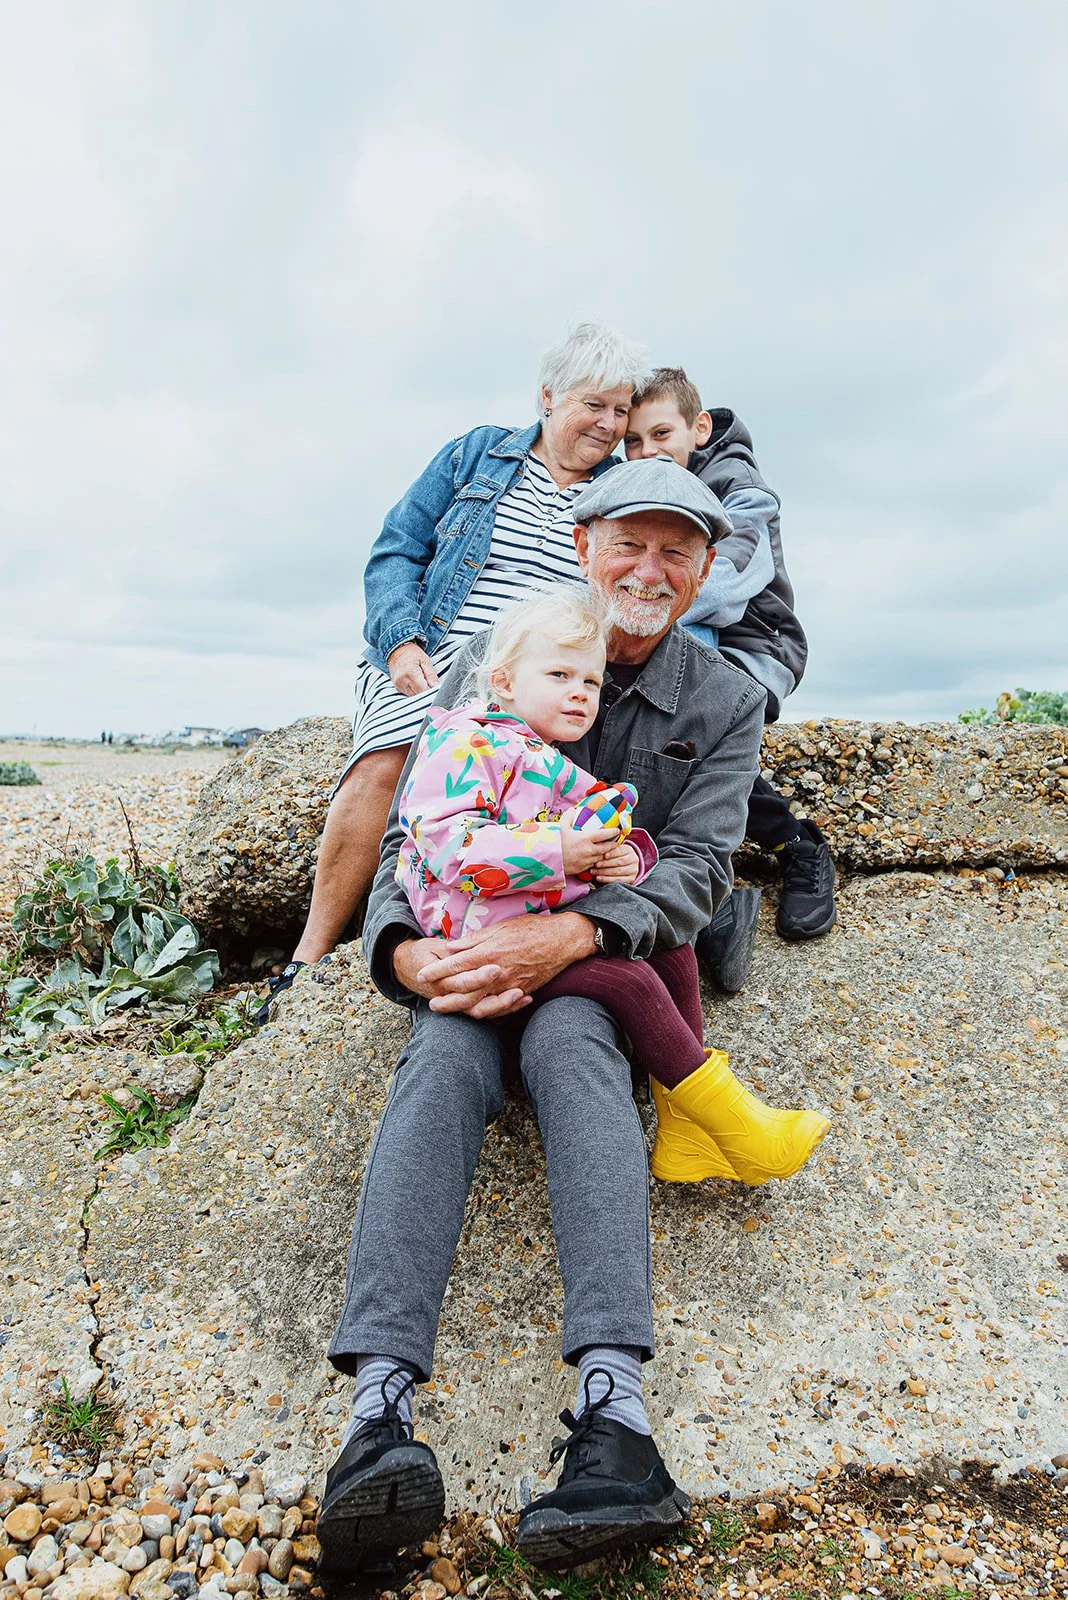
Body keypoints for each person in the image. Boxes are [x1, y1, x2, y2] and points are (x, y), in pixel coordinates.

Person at [316, 458, 830, 1578]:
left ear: (703, 571)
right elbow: (419, 830)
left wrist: (577, 934)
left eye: (677, 550)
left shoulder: (725, 699)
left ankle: (618, 1423)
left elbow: (694, 866)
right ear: (585, 544)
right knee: (442, 1058)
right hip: (467, 950)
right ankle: (375, 1420)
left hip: (589, 964)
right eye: (629, 543)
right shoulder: (494, 662)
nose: (651, 568)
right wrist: (408, 952)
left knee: (574, 1052)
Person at [255, 322, 652, 1026]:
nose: (609, 424)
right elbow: (396, 550)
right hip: (438, 652)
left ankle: (484, 930)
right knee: (392, 758)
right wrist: (402, 641)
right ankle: (310, 957)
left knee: (534, 786)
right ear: (548, 396)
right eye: (595, 404)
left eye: (621, 410)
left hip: (543, 667)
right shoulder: (478, 454)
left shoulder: (619, 490)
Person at [396, 582, 829, 1184]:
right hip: (473, 925)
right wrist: (560, 852)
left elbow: (582, 827)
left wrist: (625, 859)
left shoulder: (536, 747)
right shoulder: (466, 742)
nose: (578, 694)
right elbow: (449, 849)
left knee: (666, 940)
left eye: (591, 683)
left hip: (525, 903)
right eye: (559, 677)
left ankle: (682, 1133)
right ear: (503, 683)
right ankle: (731, 1121)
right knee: (627, 977)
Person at [624, 370, 838, 963]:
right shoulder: (646, 491)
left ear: (699, 428)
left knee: (665, 624)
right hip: (695, 657)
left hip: (755, 653)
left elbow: (723, 584)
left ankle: (798, 844)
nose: (647, 451)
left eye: (660, 433)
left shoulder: (740, 489)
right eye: (633, 442)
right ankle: (710, 908)